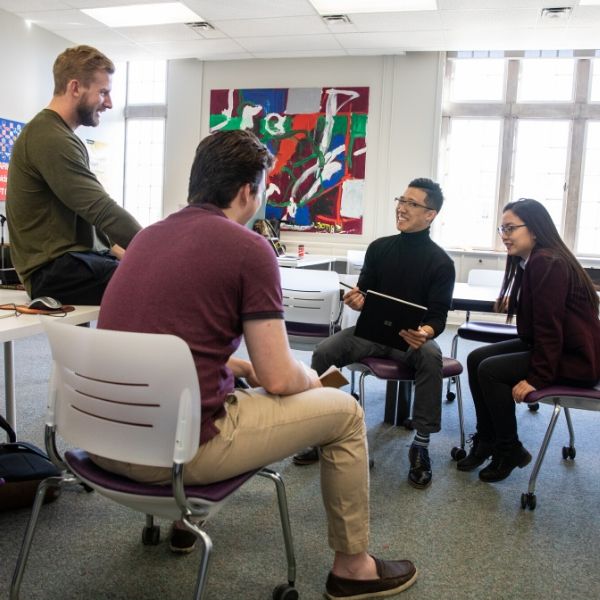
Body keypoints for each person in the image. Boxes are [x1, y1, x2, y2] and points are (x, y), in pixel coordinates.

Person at [92, 129, 417, 598]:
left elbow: (168, 337)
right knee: (344, 414)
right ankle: (353, 568)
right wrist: (310, 379)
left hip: (99, 439)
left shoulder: (146, 238)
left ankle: (185, 521)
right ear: (249, 190)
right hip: (171, 455)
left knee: (237, 382)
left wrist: (234, 368)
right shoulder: (249, 248)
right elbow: (280, 378)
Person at [293, 179, 455, 490]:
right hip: (370, 333)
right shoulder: (380, 248)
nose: (401, 207)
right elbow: (363, 291)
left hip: (409, 340)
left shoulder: (441, 263)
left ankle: (420, 445)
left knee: (432, 356)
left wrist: (425, 332)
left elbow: (438, 317)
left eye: (411, 203)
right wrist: (356, 299)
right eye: (401, 200)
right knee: (325, 351)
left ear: (430, 214)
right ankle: (321, 430)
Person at [459, 198, 600, 482]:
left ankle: (508, 448)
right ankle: (487, 438)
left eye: (511, 228)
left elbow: (550, 329)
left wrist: (537, 377)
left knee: (491, 370)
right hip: (559, 349)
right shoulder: (534, 261)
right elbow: (539, 330)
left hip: (578, 361)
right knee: (476, 358)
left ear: (534, 230)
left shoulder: (547, 263)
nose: (505, 236)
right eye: (502, 229)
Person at [6, 45, 141, 304]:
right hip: (53, 273)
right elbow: (101, 209)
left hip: (72, 263)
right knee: (160, 280)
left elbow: (88, 217)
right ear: (75, 88)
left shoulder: (59, 135)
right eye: (103, 92)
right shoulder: (49, 137)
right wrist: (160, 249)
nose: (109, 103)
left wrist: (125, 252)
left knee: (152, 273)